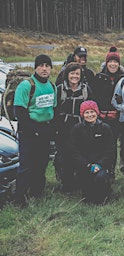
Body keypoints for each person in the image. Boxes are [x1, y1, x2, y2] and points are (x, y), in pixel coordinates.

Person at [13, 54, 57, 207]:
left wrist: (51, 129)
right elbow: (20, 111)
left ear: (50, 68)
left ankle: (37, 193)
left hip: (45, 129)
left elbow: (53, 108)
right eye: (41, 65)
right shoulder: (27, 85)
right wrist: (32, 130)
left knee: (42, 163)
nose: (44, 69)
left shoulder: (51, 86)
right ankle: (20, 198)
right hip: (29, 131)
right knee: (27, 165)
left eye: (47, 66)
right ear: (36, 67)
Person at [54, 62, 94, 194]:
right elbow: (54, 109)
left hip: (81, 129)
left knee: (80, 155)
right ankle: (67, 185)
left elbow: (91, 107)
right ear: (67, 74)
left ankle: (81, 183)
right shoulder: (59, 89)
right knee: (65, 158)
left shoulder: (86, 90)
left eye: (77, 73)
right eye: (72, 73)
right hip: (63, 129)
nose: (75, 76)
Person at [69, 100, 116, 205]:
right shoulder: (77, 129)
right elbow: (74, 151)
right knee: (88, 198)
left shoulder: (105, 128)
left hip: (101, 166)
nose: (90, 115)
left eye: (92, 112)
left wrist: (100, 165)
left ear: (97, 112)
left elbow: (110, 150)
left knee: (100, 180)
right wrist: (87, 165)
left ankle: (104, 194)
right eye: (86, 112)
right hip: (84, 165)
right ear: (82, 114)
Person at [91, 46, 124, 173]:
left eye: (115, 62)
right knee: (102, 145)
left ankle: (115, 170)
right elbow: (93, 97)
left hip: (118, 118)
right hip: (102, 118)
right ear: (106, 63)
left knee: (117, 146)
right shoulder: (99, 77)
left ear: (119, 63)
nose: (113, 64)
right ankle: (102, 169)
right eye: (110, 61)